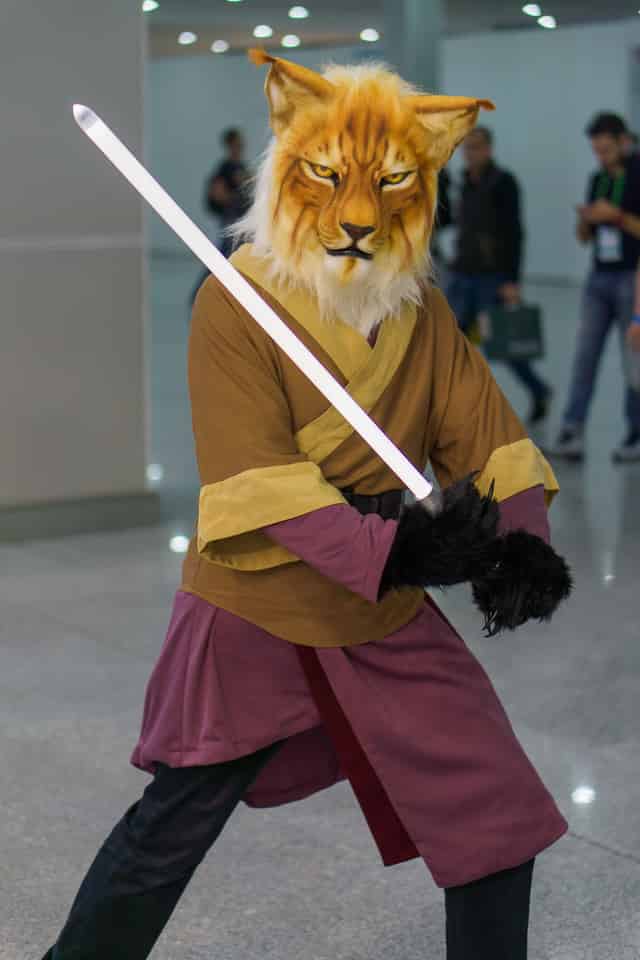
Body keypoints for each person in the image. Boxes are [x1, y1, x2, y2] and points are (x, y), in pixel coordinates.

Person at [40, 51, 572, 960]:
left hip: (382, 609)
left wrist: (520, 541)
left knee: (494, 806)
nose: (359, 213)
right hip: (259, 603)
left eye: (390, 182)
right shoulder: (231, 306)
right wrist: (405, 552)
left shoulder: (420, 312)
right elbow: (259, 480)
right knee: (173, 824)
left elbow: (486, 433)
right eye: (330, 177)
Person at [549, 112, 640, 462]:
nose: (601, 157)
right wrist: (586, 221)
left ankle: (635, 433)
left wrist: (615, 216)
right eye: (596, 151)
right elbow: (585, 237)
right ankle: (572, 429)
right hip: (599, 277)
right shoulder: (597, 179)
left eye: (606, 150)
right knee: (584, 356)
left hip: (632, 276)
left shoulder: (636, 176)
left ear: (622, 142)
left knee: (633, 358)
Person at [446, 127, 551, 425]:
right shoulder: (464, 182)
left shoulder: (504, 183)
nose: (471, 153)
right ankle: (457, 406)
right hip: (462, 274)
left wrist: (512, 280)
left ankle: (539, 390)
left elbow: (515, 234)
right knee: (452, 344)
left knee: (503, 343)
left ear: (489, 149)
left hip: (491, 278)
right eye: (467, 148)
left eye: (477, 147)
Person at [189, 129, 251, 306]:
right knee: (225, 258)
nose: (240, 147)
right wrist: (233, 201)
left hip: (240, 224)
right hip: (231, 224)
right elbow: (217, 194)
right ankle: (202, 295)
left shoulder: (241, 168)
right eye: (237, 144)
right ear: (230, 145)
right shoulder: (226, 168)